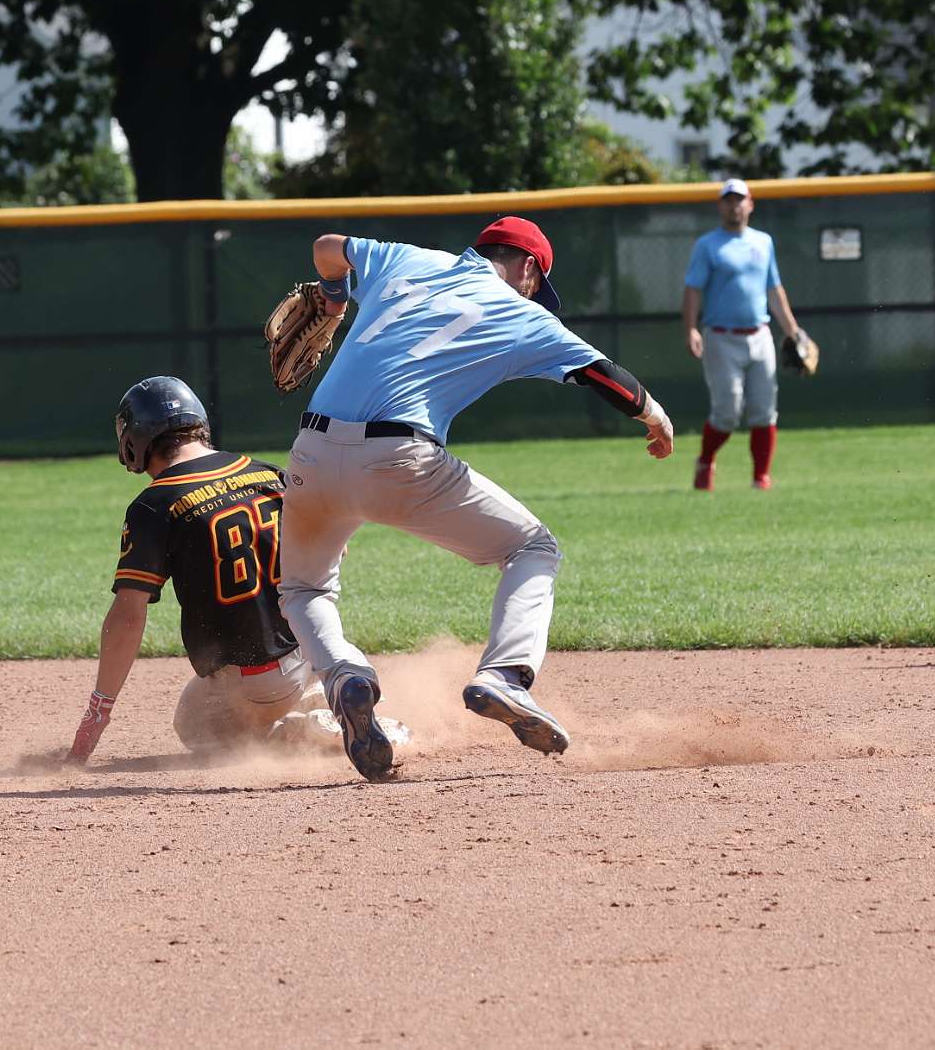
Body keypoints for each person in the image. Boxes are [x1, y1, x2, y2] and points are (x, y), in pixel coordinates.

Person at [277, 216, 676, 782]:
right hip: (399, 459)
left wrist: (336, 299)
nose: (535, 295)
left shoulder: (406, 258)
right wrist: (655, 418)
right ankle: (505, 676)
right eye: (538, 284)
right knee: (533, 547)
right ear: (529, 266)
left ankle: (344, 676)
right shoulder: (522, 313)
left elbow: (325, 247)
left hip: (311, 453)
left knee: (304, 588)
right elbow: (607, 378)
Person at [64, 375, 409, 762]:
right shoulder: (267, 473)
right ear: (198, 423)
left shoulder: (154, 504)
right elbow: (335, 549)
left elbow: (128, 616)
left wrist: (97, 713)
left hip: (246, 687)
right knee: (325, 654)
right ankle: (326, 697)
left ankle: (292, 732)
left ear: (133, 443)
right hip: (309, 653)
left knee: (191, 722)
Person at [681, 177, 807, 490]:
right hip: (721, 337)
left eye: (740, 200)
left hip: (760, 335)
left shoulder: (763, 242)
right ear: (720, 206)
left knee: (764, 410)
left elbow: (774, 290)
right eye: (728, 200)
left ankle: (760, 477)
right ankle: (706, 460)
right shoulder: (708, 245)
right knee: (727, 412)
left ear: (750, 204)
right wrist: (691, 328)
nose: (734, 206)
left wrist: (794, 332)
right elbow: (693, 289)